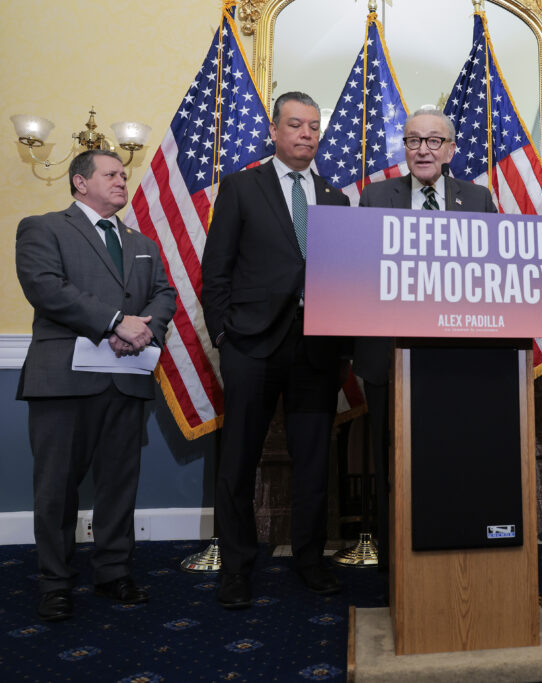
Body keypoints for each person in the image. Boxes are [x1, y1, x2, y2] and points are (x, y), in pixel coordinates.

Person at [201, 91, 350, 609]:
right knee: (239, 459)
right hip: (252, 345)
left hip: (318, 350)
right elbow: (215, 270)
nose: (307, 134)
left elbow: (346, 278)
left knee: (314, 462)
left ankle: (310, 559)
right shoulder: (242, 187)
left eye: (314, 127)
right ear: (274, 130)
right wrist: (223, 334)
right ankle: (237, 567)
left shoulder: (336, 198)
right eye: (296, 125)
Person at [15, 149, 177, 621]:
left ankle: (113, 573)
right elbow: (44, 286)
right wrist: (114, 322)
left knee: (118, 486)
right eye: (110, 174)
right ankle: (55, 582)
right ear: (80, 183)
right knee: (56, 490)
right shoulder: (44, 227)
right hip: (63, 380)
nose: (121, 181)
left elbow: (164, 293)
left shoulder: (139, 240)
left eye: (123, 175)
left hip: (125, 380)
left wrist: (145, 330)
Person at [355, 107, 497, 569]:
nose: (423, 150)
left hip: (456, 355)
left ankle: (452, 547)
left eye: (434, 141)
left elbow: (491, 275)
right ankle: (392, 553)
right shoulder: (376, 196)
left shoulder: (477, 199)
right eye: (414, 140)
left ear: (451, 150)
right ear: (404, 147)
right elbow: (360, 273)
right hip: (388, 351)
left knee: (452, 454)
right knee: (390, 456)